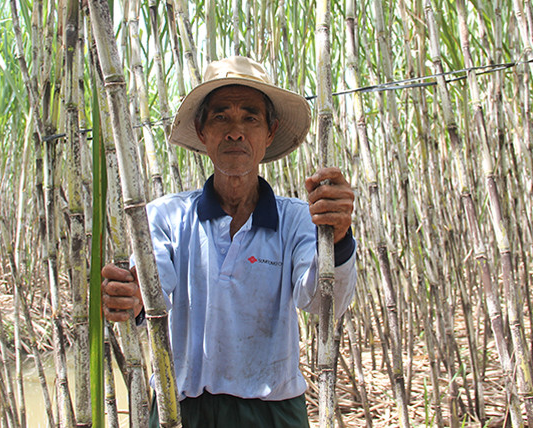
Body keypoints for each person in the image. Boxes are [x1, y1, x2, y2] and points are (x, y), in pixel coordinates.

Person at [101, 56, 357, 428]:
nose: (235, 131)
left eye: (250, 117)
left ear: (269, 133)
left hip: (272, 412)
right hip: (182, 409)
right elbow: (153, 291)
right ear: (202, 131)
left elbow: (322, 300)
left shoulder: (298, 220)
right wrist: (130, 295)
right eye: (221, 116)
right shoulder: (165, 216)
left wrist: (339, 235)